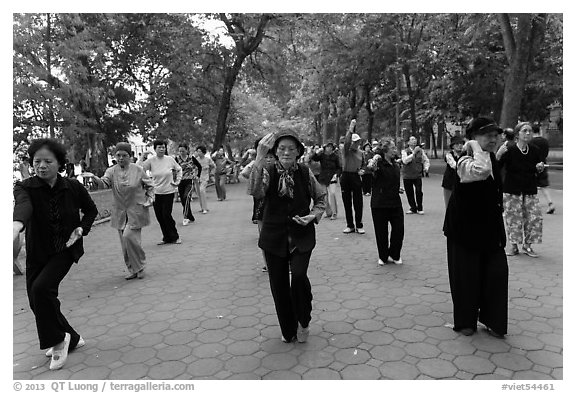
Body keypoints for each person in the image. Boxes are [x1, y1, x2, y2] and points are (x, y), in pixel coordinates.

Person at [13, 138, 98, 370]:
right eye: (36, 161)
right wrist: (16, 224)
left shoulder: (72, 186)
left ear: (59, 162)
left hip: (65, 249)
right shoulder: (25, 187)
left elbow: (91, 210)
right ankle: (73, 337)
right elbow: (23, 206)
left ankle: (58, 341)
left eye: (47, 161)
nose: (41, 166)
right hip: (38, 251)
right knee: (36, 299)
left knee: (41, 290)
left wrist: (82, 228)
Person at [248, 130, 326, 343]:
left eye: (292, 148)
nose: (286, 152)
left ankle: (303, 320)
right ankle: (288, 328)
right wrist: (259, 157)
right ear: (275, 151)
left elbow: (321, 198)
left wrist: (313, 216)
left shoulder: (304, 172)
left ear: (299, 151)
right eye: (282, 148)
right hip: (274, 236)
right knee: (279, 285)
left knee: (299, 277)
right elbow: (255, 191)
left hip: (301, 235)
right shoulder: (267, 171)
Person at [443, 117, 508, 338]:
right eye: (487, 135)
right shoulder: (466, 161)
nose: (493, 139)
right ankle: (465, 322)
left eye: (495, 135)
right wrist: (472, 146)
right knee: (466, 276)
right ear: (474, 138)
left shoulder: (491, 158)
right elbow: (480, 171)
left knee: (497, 273)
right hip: (464, 229)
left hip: (489, 228)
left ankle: (493, 320)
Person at [92, 142, 155, 279]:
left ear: (130, 156)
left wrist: (149, 199)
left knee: (130, 237)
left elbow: (150, 186)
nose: (121, 158)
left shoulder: (138, 170)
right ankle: (132, 269)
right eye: (118, 155)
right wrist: (95, 179)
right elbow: (105, 183)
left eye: (124, 155)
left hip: (136, 210)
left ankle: (141, 266)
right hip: (120, 212)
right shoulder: (111, 171)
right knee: (125, 244)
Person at [496, 122, 545, 258]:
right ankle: (514, 246)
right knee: (513, 218)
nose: (528, 133)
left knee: (534, 218)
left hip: (529, 188)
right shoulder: (509, 149)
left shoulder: (535, 150)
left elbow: (537, 169)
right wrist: (498, 155)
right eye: (525, 131)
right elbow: (497, 167)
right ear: (518, 134)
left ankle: (528, 245)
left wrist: (539, 167)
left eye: (530, 131)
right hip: (512, 189)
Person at [241, 140, 277, 272]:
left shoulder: (279, 166)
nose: (268, 159)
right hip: (261, 204)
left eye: (271, 157)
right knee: (263, 235)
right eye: (265, 156)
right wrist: (254, 178)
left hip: (276, 205)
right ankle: (268, 263)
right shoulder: (255, 164)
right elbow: (244, 173)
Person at [368, 139, 404, 266]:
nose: (395, 150)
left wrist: (397, 188)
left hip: (395, 202)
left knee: (399, 229)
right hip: (380, 203)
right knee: (381, 231)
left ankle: (395, 254)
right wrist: (374, 160)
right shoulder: (378, 163)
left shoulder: (395, 164)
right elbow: (371, 169)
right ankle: (383, 256)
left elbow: (390, 180)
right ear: (385, 150)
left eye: (395, 148)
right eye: (393, 148)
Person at [142, 139, 182, 245]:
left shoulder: (170, 159)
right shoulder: (151, 161)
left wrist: (177, 181)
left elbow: (179, 169)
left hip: (168, 191)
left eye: (163, 147)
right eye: (159, 147)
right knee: (159, 216)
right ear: (155, 149)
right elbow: (139, 169)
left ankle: (175, 236)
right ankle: (166, 237)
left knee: (166, 214)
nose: (161, 149)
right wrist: (143, 156)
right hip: (156, 193)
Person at [341, 119, 365, 234]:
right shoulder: (346, 151)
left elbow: (364, 166)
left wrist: (363, 170)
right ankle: (350, 225)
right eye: (354, 141)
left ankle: (359, 225)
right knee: (347, 202)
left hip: (356, 176)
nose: (356, 143)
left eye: (357, 141)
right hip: (345, 176)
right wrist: (351, 129)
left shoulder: (361, 153)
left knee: (358, 201)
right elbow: (346, 142)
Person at [310, 142, 342, 220]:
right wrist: (317, 153)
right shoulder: (322, 155)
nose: (329, 148)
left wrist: (336, 175)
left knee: (332, 194)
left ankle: (334, 213)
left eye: (330, 147)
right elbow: (313, 158)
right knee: (324, 196)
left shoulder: (335, 157)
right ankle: (328, 212)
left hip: (332, 177)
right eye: (327, 147)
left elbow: (339, 167)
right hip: (323, 177)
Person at [530, 124, 555, 214]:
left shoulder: (531, 142)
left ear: (532, 131)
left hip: (533, 166)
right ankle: (550, 203)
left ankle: (533, 205)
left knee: (531, 185)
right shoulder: (545, 141)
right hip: (543, 164)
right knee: (544, 186)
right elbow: (546, 153)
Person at [401, 136, 430, 214]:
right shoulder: (404, 151)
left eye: (415, 139)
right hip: (407, 175)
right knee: (409, 192)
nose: (414, 141)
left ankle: (420, 207)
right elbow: (405, 161)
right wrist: (413, 153)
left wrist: (426, 167)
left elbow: (426, 160)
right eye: (412, 139)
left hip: (417, 175)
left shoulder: (421, 151)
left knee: (418, 191)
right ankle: (413, 207)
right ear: (408, 142)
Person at [175, 144, 202, 225]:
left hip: (189, 181)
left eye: (183, 151)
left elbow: (199, 167)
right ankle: (190, 216)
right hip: (180, 181)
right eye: (180, 151)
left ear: (187, 150)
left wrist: (197, 176)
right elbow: (172, 169)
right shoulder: (176, 159)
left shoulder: (191, 158)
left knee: (186, 197)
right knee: (183, 200)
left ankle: (185, 217)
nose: (181, 153)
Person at [441, 135, 464, 208]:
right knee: (449, 205)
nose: (460, 146)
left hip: (461, 182)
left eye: (461, 144)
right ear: (452, 146)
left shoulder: (465, 154)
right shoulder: (449, 155)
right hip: (449, 182)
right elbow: (454, 165)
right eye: (457, 144)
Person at [194, 146, 215, 214]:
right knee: (198, 193)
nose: (198, 153)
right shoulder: (196, 160)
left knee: (202, 191)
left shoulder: (208, 159)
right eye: (197, 151)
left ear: (203, 152)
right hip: (197, 178)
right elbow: (193, 168)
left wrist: (211, 174)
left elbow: (213, 166)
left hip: (205, 177)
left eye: (200, 151)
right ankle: (202, 207)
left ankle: (205, 208)